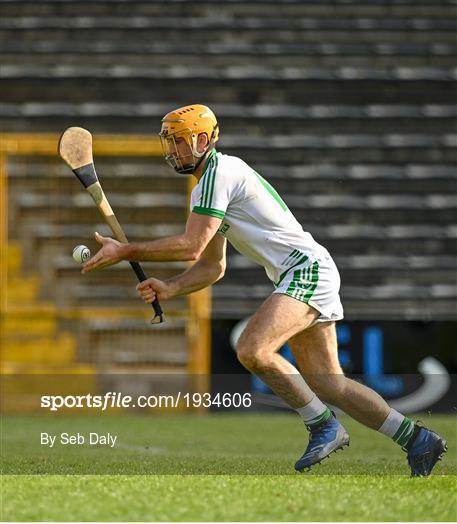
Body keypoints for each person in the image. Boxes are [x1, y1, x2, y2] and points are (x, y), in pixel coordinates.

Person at [82, 104, 447, 476]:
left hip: (306, 270)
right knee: (330, 383)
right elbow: (212, 265)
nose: (172, 151)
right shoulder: (203, 190)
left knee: (253, 349)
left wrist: (125, 250)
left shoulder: (221, 172)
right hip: (306, 271)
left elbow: (191, 246)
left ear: (203, 140)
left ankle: (323, 425)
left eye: (178, 142)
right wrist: (171, 287)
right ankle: (418, 440)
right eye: (169, 143)